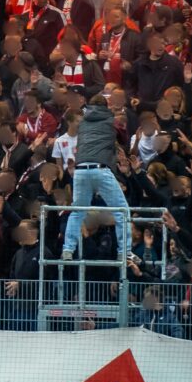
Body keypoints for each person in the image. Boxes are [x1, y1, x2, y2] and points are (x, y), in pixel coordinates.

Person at [63, 95, 130, 259]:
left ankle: (68, 249)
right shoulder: (111, 120)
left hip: (80, 170)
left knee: (78, 211)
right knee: (122, 211)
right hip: (100, 168)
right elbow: (124, 138)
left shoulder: (83, 122)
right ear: (106, 105)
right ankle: (124, 251)